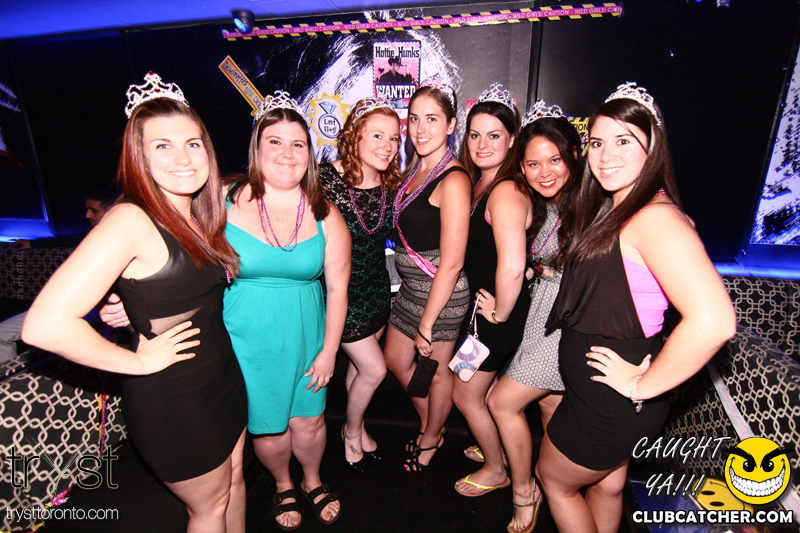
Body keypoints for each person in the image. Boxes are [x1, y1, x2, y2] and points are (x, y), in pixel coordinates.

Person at [22, 73, 248, 532]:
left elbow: (174, 288)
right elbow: (44, 324)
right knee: (209, 508)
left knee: (235, 484)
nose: (183, 157)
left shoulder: (198, 213)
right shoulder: (130, 219)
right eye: (163, 145)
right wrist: (138, 362)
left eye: (192, 143)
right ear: (138, 156)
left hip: (222, 379)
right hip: (175, 398)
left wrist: (133, 304)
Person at [536, 83, 736, 533]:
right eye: (597, 143)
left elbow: (715, 321)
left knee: (554, 481)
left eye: (623, 141)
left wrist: (642, 384)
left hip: (610, 405)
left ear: (653, 147)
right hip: (600, 398)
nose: (606, 155)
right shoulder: (623, 207)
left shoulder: (654, 218)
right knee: (607, 487)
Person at [223, 91, 350, 529]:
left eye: (297, 144)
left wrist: (329, 352)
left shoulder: (326, 215)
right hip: (246, 342)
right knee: (269, 427)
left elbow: (338, 291)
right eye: (274, 142)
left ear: (309, 154)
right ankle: (283, 484)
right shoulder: (223, 201)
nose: (287, 153)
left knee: (309, 422)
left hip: (306, 337)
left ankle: (312, 479)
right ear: (256, 149)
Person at [486, 101, 583, 533]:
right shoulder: (545, 203)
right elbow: (540, 258)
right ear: (520, 167)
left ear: (574, 156)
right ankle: (555, 483)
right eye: (533, 164)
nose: (545, 172)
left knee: (500, 402)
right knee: (548, 404)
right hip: (541, 308)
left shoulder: (591, 204)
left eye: (554, 160)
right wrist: (534, 270)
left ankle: (525, 491)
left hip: (567, 318)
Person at [383, 76, 471, 472]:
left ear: (451, 125)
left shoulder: (454, 179)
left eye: (432, 119)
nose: (420, 129)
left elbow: (451, 263)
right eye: (414, 119)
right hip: (411, 290)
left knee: (435, 374)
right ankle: (432, 422)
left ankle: (432, 437)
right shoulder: (415, 169)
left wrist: (427, 325)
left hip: (441, 294)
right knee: (395, 359)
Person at [451, 83, 530, 497]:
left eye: (494, 135)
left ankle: (498, 470)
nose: (482, 144)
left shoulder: (506, 190)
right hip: (484, 310)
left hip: (497, 314)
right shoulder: (484, 182)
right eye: (475, 135)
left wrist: (499, 312)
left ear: (512, 139)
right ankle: (494, 448)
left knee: (465, 394)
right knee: (475, 390)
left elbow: (513, 266)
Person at [318, 97, 402, 472]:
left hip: (377, 291)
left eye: (394, 138)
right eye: (377, 136)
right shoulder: (324, 179)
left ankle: (359, 423)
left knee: (358, 370)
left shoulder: (391, 183)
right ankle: (350, 432)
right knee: (374, 370)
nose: (388, 146)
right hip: (340, 295)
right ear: (355, 136)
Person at [1, 187, 117, 362]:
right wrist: (32, 244)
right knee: (3, 333)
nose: (87, 215)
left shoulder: (123, 244)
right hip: (70, 304)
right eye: (87, 209)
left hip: (96, 309)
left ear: (112, 210)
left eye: (94, 210)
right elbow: (69, 240)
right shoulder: (93, 235)